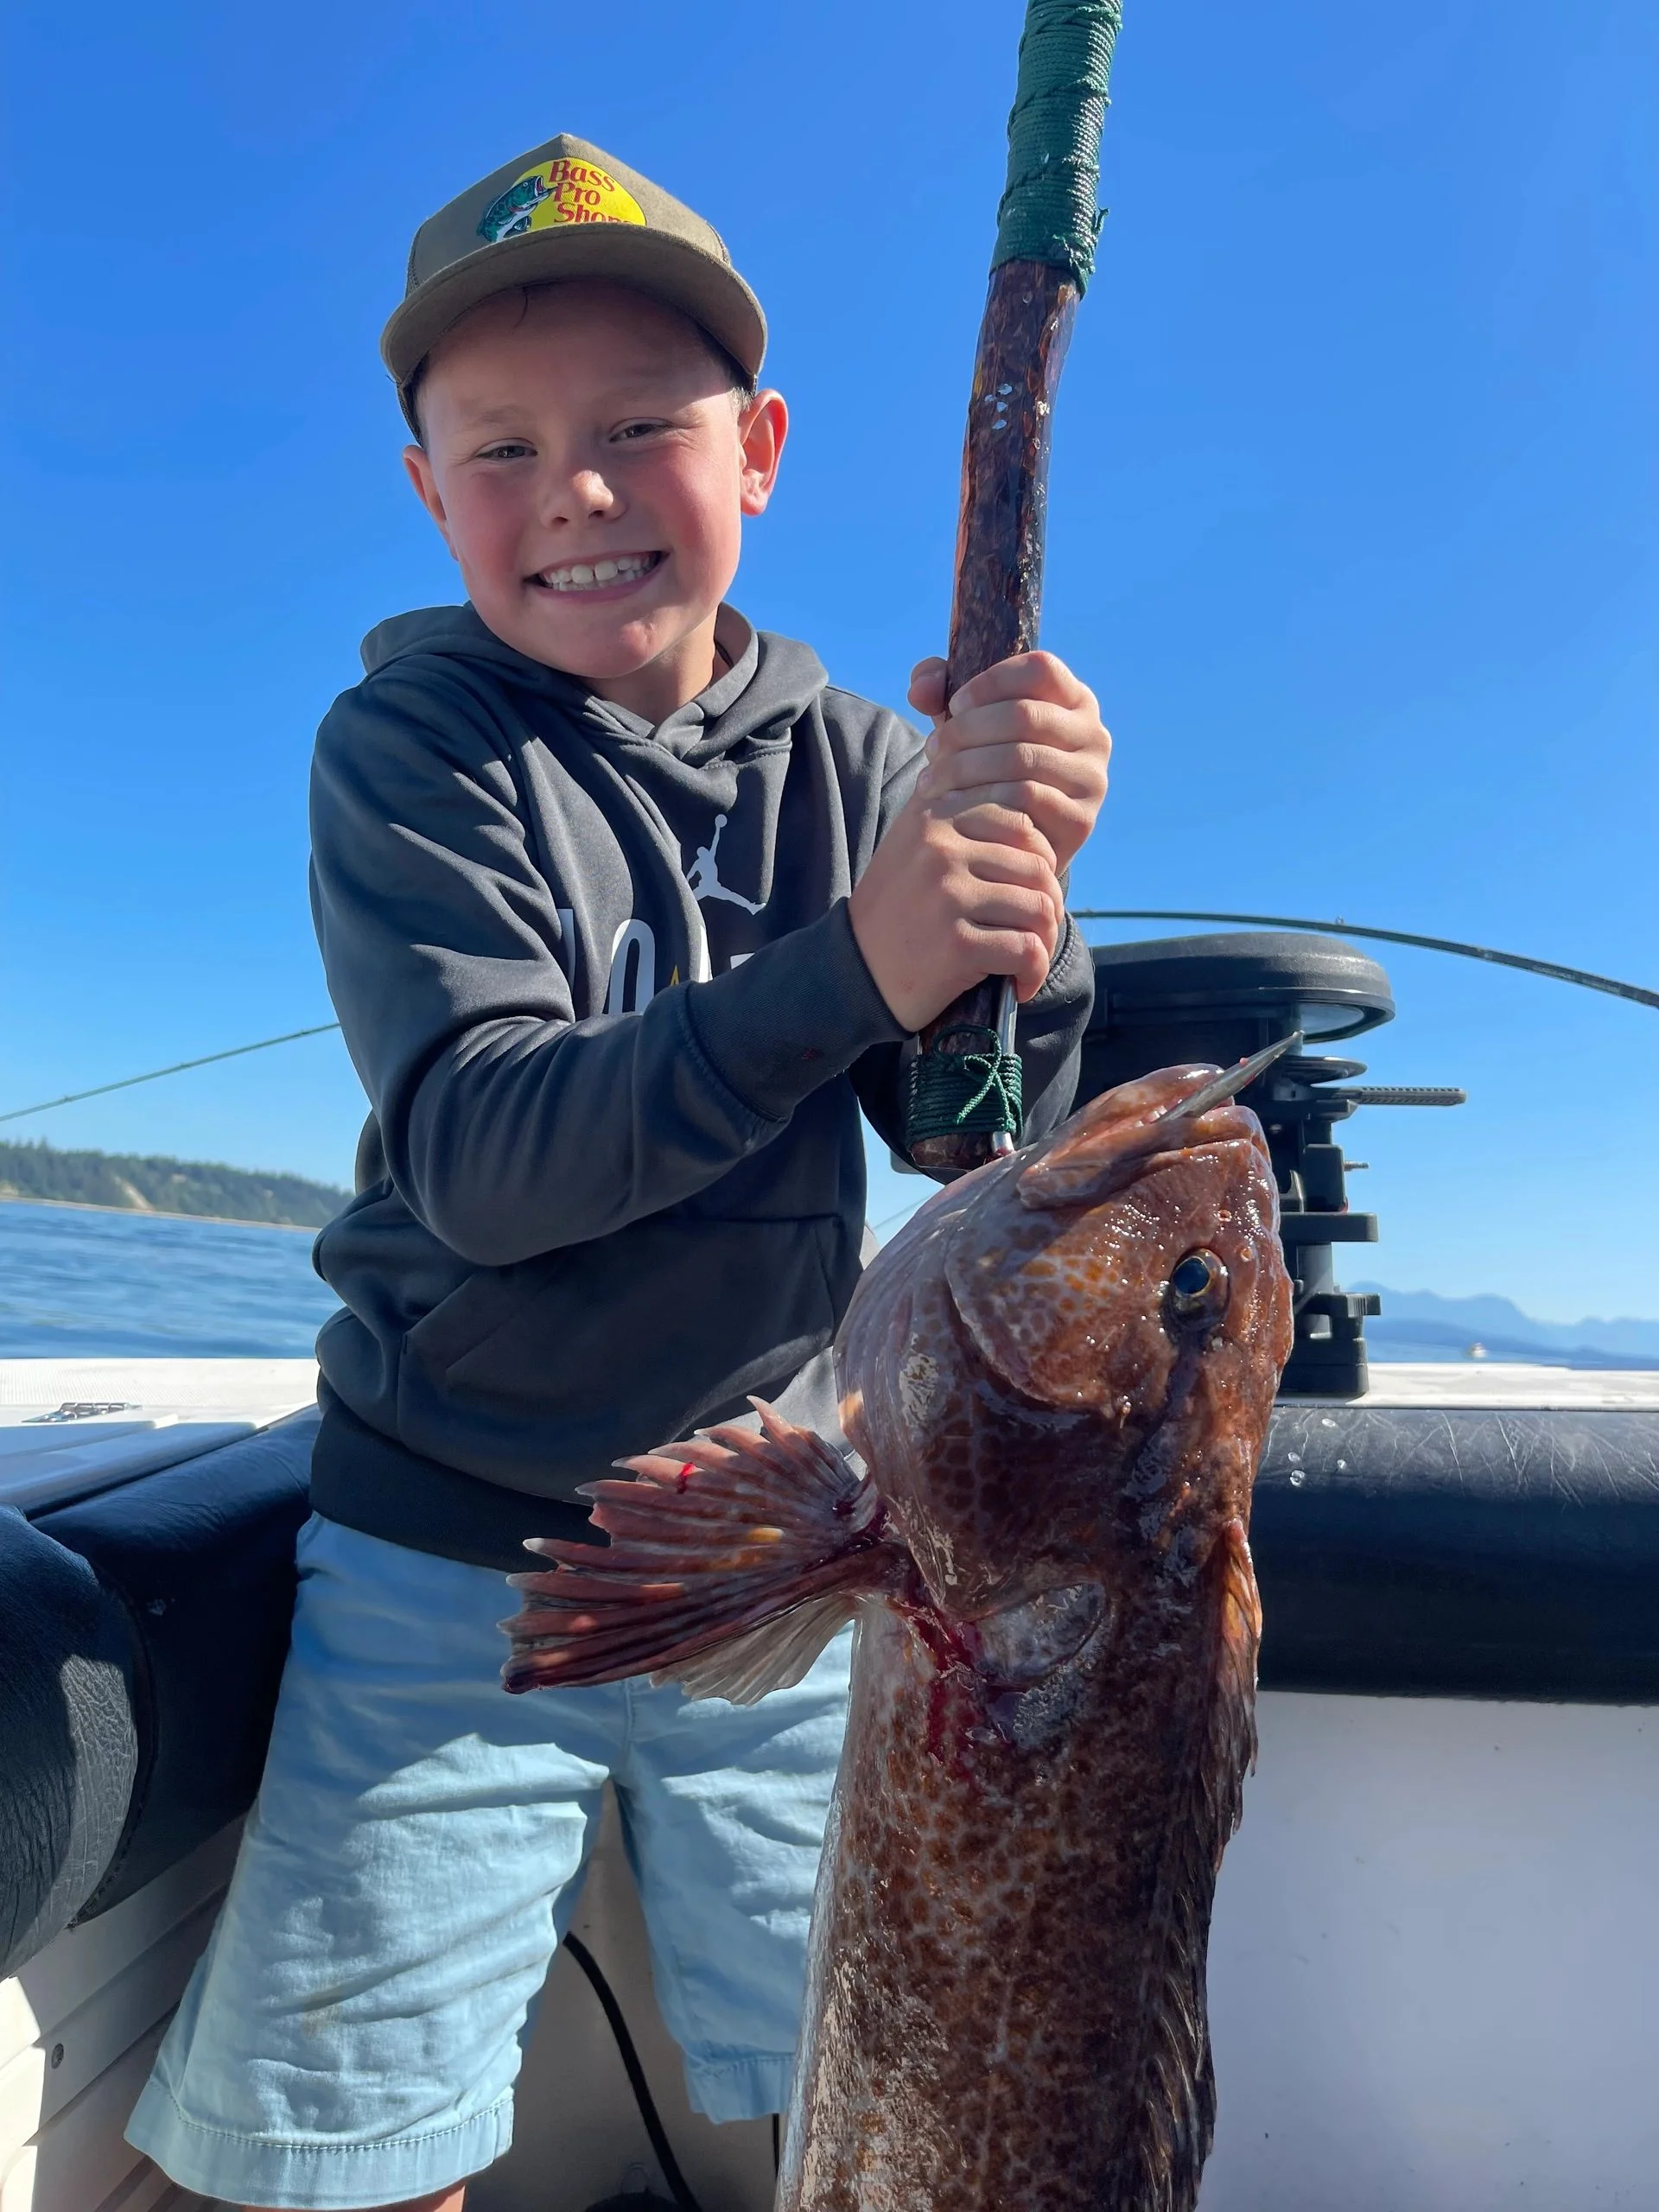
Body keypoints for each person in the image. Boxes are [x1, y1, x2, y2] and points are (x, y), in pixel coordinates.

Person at [127, 133, 1111, 2212]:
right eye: (501, 446)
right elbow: (483, 1155)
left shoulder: (860, 756)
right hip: (440, 1565)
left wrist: (1022, 885)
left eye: (637, 430)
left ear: (755, 450)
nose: (571, 490)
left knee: (902, 2074)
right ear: (425, 490)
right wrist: (859, 955)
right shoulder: (411, 752)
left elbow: (964, 1132)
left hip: (779, 1547)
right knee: (346, 2134)